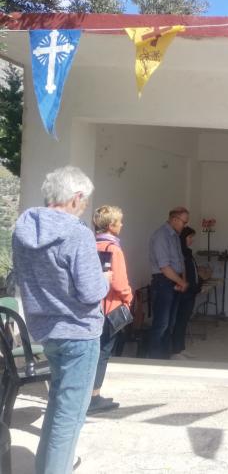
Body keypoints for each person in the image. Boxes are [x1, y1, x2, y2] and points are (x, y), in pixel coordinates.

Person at [12, 166, 110, 473]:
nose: (84, 206)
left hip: (45, 330)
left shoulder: (22, 230)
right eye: (85, 200)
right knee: (69, 415)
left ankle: (51, 465)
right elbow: (91, 292)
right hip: (78, 333)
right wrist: (105, 278)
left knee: (58, 405)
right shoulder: (77, 233)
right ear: (76, 197)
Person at [89, 205, 133, 415]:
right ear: (111, 225)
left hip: (91, 306)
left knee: (91, 352)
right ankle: (94, 397)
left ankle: (85, 393)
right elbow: (119, 283)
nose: (122, 225)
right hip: (109, 307)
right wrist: (129, 298)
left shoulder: (90, 245)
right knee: (103, 352)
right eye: (119, 221)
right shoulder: (114, 249)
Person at [148, 207, 189, 359]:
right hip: (163, 283)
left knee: (170, 323)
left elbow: (180, 262)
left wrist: (181, 280)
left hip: (174, 281)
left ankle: (165, 356)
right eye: (184, 222)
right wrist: (181, 281)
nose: (185, 225)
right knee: (161, 324)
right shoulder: (161, 236)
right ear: (174, 219)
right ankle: (155, 358)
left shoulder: (175, 236)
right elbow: (164, 267)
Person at [171, 226, 201, 359]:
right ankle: (175, 351)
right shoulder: (180, 254)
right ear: (182, 238)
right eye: (189, 237)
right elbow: (181, 274)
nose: (192, 240)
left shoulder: (188, 253)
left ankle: (181, 348)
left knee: (184, 322)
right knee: (179, 322)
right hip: (183, 294)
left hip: (190, 293)